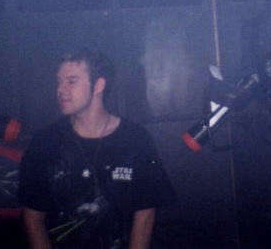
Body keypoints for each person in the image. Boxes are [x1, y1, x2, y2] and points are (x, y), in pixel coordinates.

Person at [18, 47, 176, 249]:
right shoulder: (44, 143)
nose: (60, 89)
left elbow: (145, 212)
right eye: (59, 82)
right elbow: (32, 216)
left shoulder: (136, 139)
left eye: (71, 81)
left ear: (99, 85)